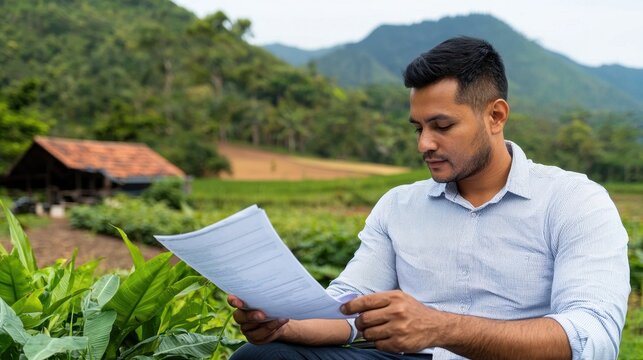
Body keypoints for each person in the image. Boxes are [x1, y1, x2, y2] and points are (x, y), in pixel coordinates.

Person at [228, 37, 630, 360]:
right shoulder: (399, 206)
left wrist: (441, 327)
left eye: (442, 126)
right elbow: (351, 308)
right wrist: (285, 324)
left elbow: (592, 338)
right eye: (418, 127)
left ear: (495, 116)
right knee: (262, 355)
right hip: (411, 357)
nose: (425, 144)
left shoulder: (574, 201)